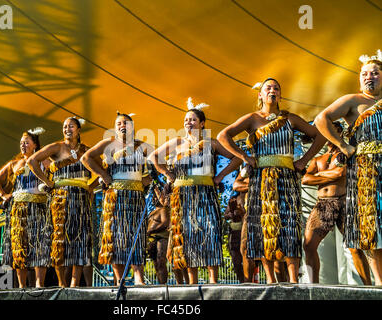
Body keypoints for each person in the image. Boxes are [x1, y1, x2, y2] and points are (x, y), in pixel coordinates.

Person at [217, 78, 325, 283]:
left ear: (280, 95)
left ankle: (293, 279)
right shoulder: (252, 118)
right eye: (268, 88)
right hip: (261, 179)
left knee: (289, 225)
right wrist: (245, 157)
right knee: (264, 225)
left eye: (276, 88)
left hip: (287, 178)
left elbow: (319, 136)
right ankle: (270, 279)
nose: (272, 91)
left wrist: (303, 160)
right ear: (260, 95)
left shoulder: (290, 119)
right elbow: (224, 135)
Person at [149, 98, 242, 284]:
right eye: (186, 120)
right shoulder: (177, 143)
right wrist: (166, 172)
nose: (188, 123)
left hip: (206, 194)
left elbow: (237, 158)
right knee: (187, 235)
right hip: (182, 196)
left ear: (202, 123)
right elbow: (153, 156)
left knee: (210, 233)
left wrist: (219, 176)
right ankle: (192, 283)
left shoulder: (212, 143)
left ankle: (213, 281)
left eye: (192, 119)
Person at [314, 50, 382, 285]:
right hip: (365, 172)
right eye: (364, 73)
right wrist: (343, 145)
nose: (368, 77)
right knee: (370, 227)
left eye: (374, 73)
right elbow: (321, 119)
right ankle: (378, 285)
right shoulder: (354, 100)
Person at [82, 112, 153, 286]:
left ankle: (139, 278)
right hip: (115, 195)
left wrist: (145, 180)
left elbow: (155, 168)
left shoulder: (142, 145)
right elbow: (86, 158)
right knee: (116, 237)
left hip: (136, 195)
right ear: (115, 128)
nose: (123, 126)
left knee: (136, 235)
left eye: (126, 123)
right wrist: (103, 174)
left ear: (132, 127)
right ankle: (118, 280)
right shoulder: (108, 144)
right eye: (119, 123)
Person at [302, 121, 372, 284]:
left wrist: (320, 176)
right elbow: (305, 179)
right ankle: (314, 287)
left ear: (339, 133)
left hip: (344, 201)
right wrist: (331, 174)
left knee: (355, 247)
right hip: (323, 204)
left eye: (331, 131)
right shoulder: (318, 159)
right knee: (308, 245)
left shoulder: (347, 152)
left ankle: (367, 286)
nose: (326, 135)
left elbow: (342, 172)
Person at [27, 117, 94, 288]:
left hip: (81, 198)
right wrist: (48, 182)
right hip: (60, 199)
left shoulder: (86, 151)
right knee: (59, 238)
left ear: (79, 129)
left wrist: (90, 187)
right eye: (64, 126)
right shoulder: (57, 147)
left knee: (80, 238)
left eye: (71, 126)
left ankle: (74, 282)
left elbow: (103, 170)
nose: (67, 129)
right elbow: (32, 161)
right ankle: (62, 283)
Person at [0, 127, 52, 288]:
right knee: (20, 245)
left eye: (26, 142)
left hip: (38, 206)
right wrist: (4, 195)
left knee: (39, 244)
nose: (23, 145)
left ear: (35, 145)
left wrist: (49, 185)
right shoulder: (14, 163)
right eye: (21, 143)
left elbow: (56, 172)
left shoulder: (44, 160)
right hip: (18, 208)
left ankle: (40, 285)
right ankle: (21, 286)